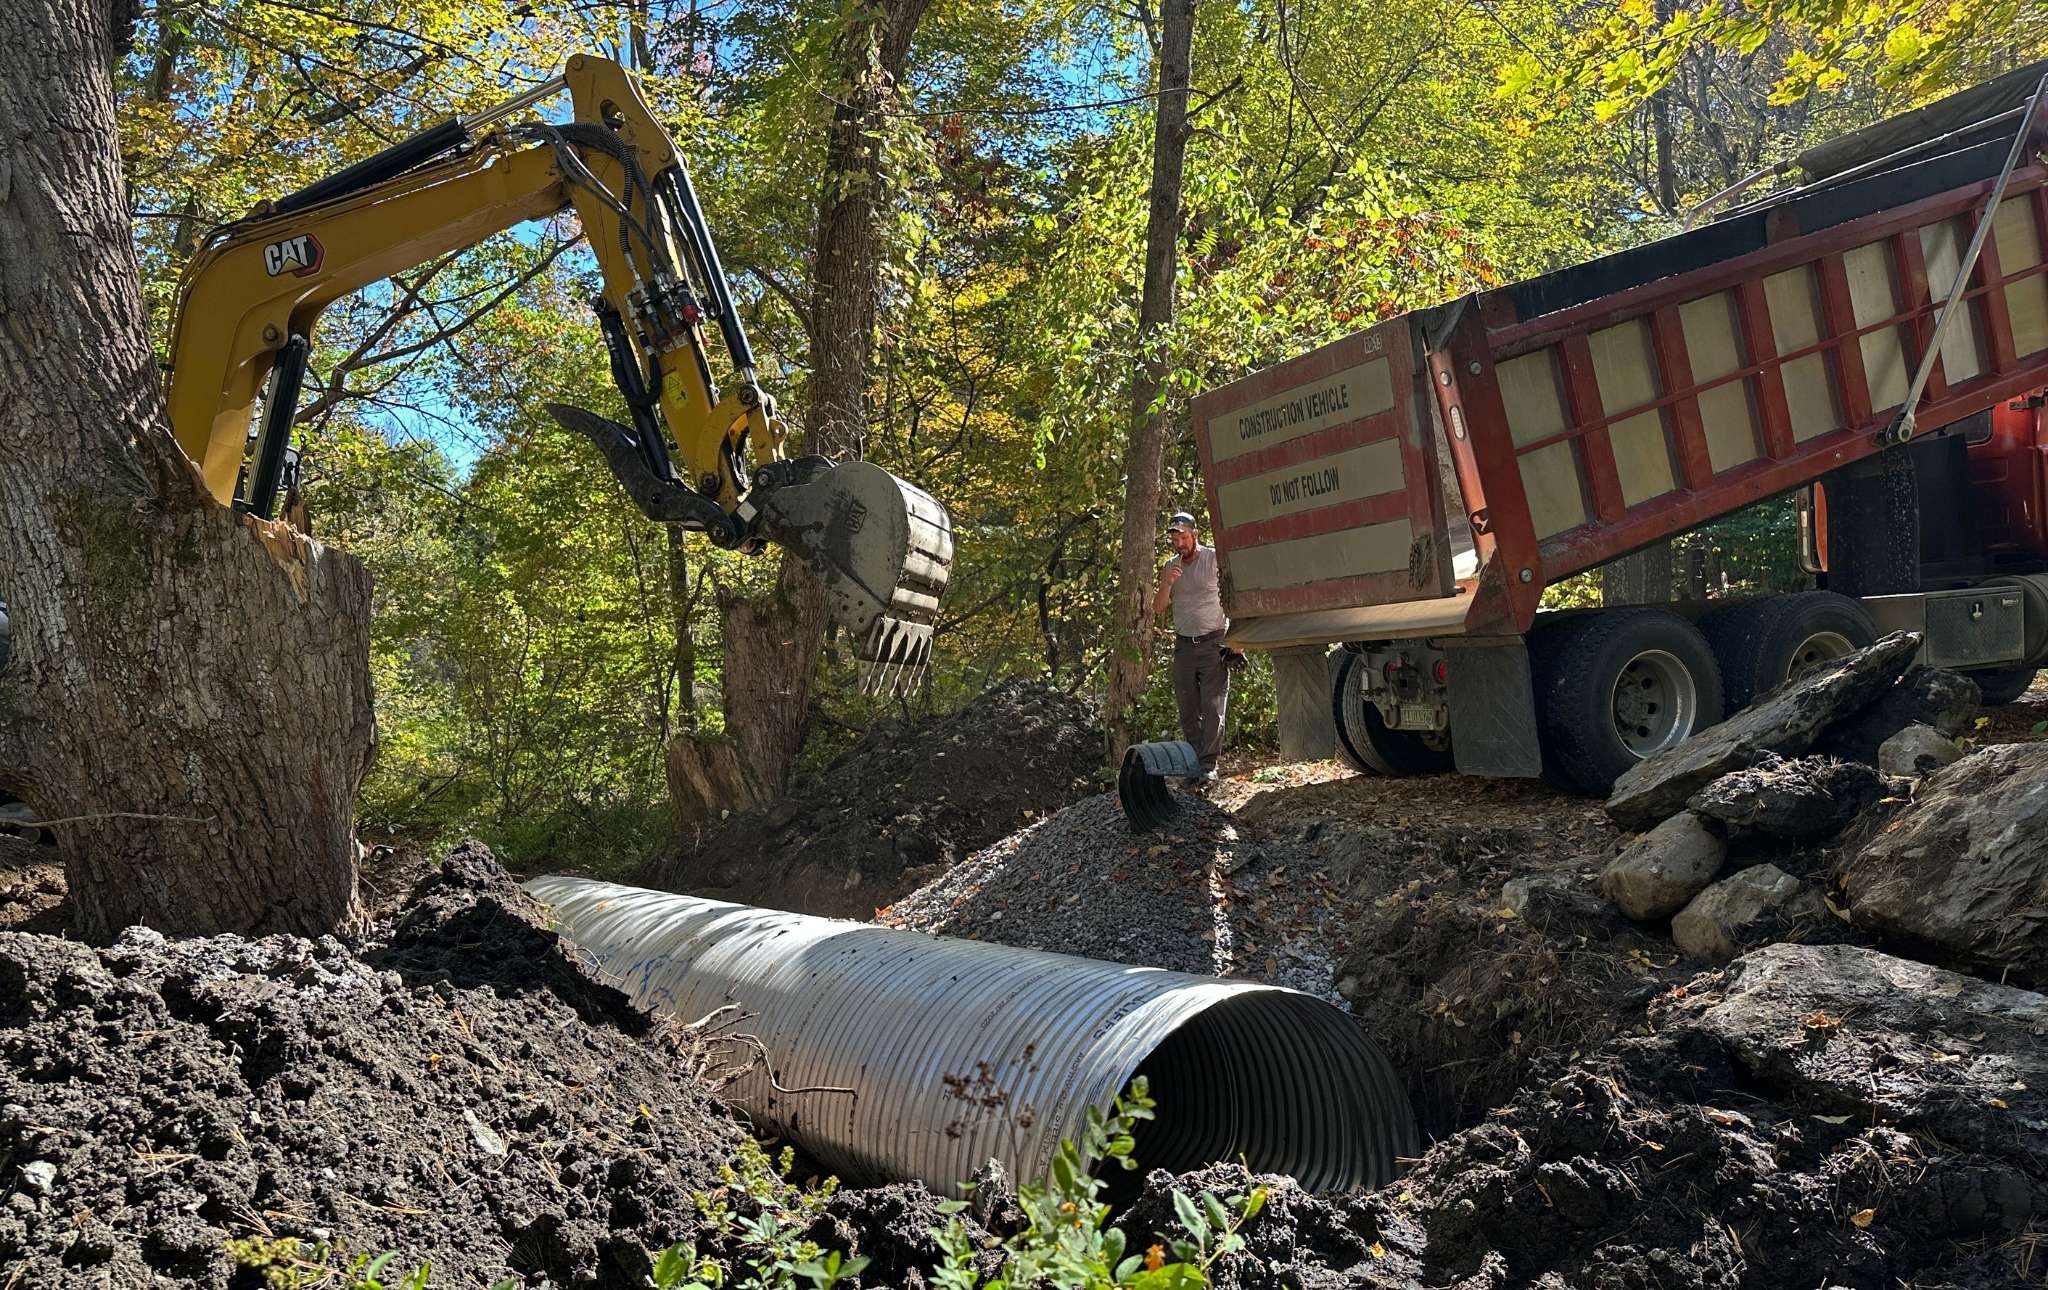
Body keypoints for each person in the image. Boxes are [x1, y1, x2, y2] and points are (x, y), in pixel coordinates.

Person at [1152, 511, 1234, 784]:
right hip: (1185, 645)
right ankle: (1194, 763)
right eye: (1175, 539)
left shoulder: (1213, 559)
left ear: (1195, 535)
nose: (1179, 544)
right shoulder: (1170, 566)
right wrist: (1167, 583)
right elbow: (1158, 607)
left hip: (1214, 641)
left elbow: (1233, 595)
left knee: (1213, 704)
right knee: (1188, 706)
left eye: (1184, 538)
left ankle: (1208, 764)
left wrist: (1237, 641)